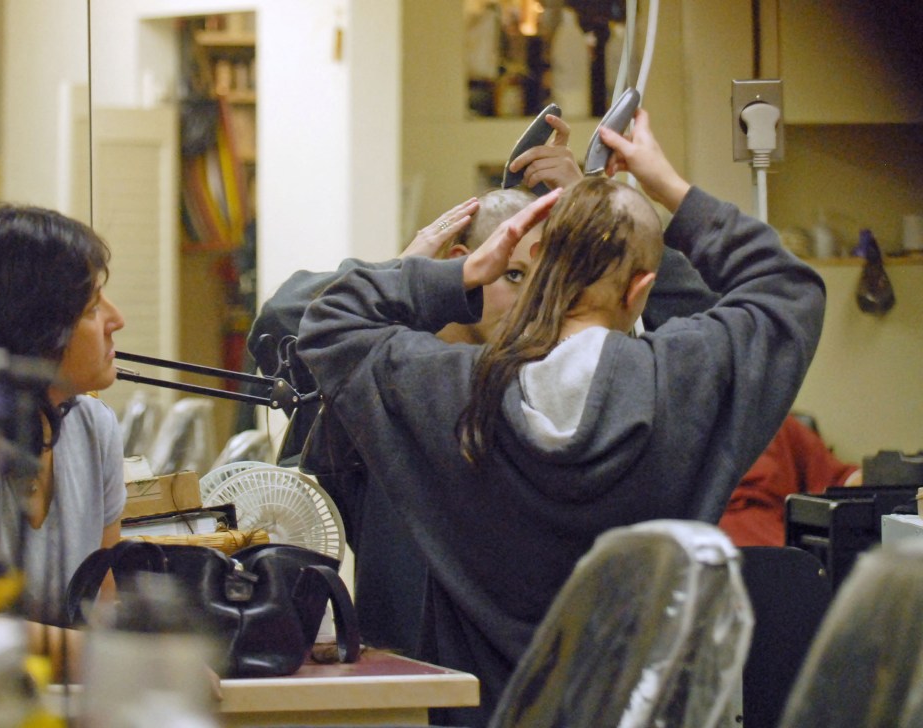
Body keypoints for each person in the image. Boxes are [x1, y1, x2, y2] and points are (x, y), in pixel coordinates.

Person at [295, 108, 826, 727]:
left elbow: (329, 323)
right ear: (639, 291)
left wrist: (462, 274)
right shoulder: (683, 380)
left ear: (539, 266)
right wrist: (664, 187)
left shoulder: (451, 393)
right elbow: (789, 289)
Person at [249, 118, 718, 660]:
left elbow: (701, 322)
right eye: (513, 277)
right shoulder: (402, 373)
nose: (531, 304)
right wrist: (406, 270)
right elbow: (288, 317)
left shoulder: (548, 381)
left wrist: (596, 200)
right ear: (465, 265)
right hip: (405, 666)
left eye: (544, 283)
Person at [0, 204, 126, 677]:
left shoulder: (95, 428)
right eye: (93, 307)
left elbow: (101, 598)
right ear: (33, 328)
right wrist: (104, 661)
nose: (117, 320)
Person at [720, 413, 862, 547]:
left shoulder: (773, 418)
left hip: (779, 538)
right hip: (713, 537)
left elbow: (838, 477)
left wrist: (870, 481)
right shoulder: (700, 422)